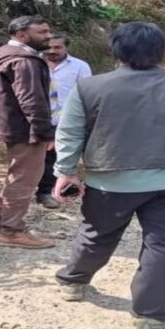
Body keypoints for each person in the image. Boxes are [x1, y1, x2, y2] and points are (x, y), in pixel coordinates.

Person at [52, 22, 165, 329]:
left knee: (97, 234)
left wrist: (66, 171)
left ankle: (74, 282)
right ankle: (150, 317)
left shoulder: (91, 87)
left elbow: (69, 132)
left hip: (111, 181)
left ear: (116, 50)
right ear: (159, 51)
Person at [0, 15, 55, 249]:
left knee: (17, 174)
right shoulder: (24, 61)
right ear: (21, 35)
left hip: (10, 124)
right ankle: (11, 231)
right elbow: (31, 100)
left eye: (48, 31)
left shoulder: (2, 54)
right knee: (24, 179)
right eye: (41, 32)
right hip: (25, 129)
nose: (48, 36)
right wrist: (46, 132)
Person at [35, 34, 93, 210]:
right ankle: (35, 190)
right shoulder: (34, 63)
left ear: (65, 47)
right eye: (49, 47)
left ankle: (49, 191)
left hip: (66, 119)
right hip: (39, 116)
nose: (52, 51)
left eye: (57, 47)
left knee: (58, 155)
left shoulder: (80, 66)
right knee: (38, 157)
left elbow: (87, 92)